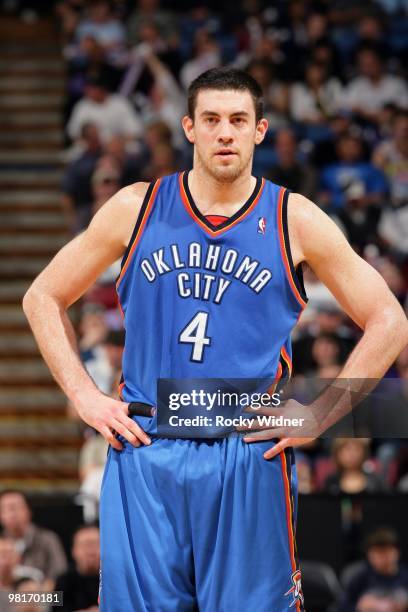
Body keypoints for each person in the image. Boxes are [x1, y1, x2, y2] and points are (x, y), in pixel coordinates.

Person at [23, 68, 408, 611]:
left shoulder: (292, 216)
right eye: (211, 120)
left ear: (260, 130)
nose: (224, 132)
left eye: (237, 120)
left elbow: (389, 319)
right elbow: (41, 297)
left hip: (245, 447)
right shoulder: (137, 207)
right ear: (189, 128)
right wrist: (84, 396)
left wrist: (322, 414)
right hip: (147, 442)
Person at [0, 491, 67, 590]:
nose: (13, 513)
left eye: (16, 507)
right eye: (7, 509)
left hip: (43, 599)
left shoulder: (48, 539)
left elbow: (61, 577)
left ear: (28, 511)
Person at [337, 528, 408, 611]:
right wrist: (359, 607)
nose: (383, 557)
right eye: (378, 553)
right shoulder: (360, 579)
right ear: (369, 555)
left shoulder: (405, 577)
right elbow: (341, 607)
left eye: (387, 551)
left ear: (397, 552)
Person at [52, 525, 100, 612]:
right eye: (85, 545)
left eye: (96, 545)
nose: (91, 552)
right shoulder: (62, 581)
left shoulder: (116, 580)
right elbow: (55, 609)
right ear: (74, 551)